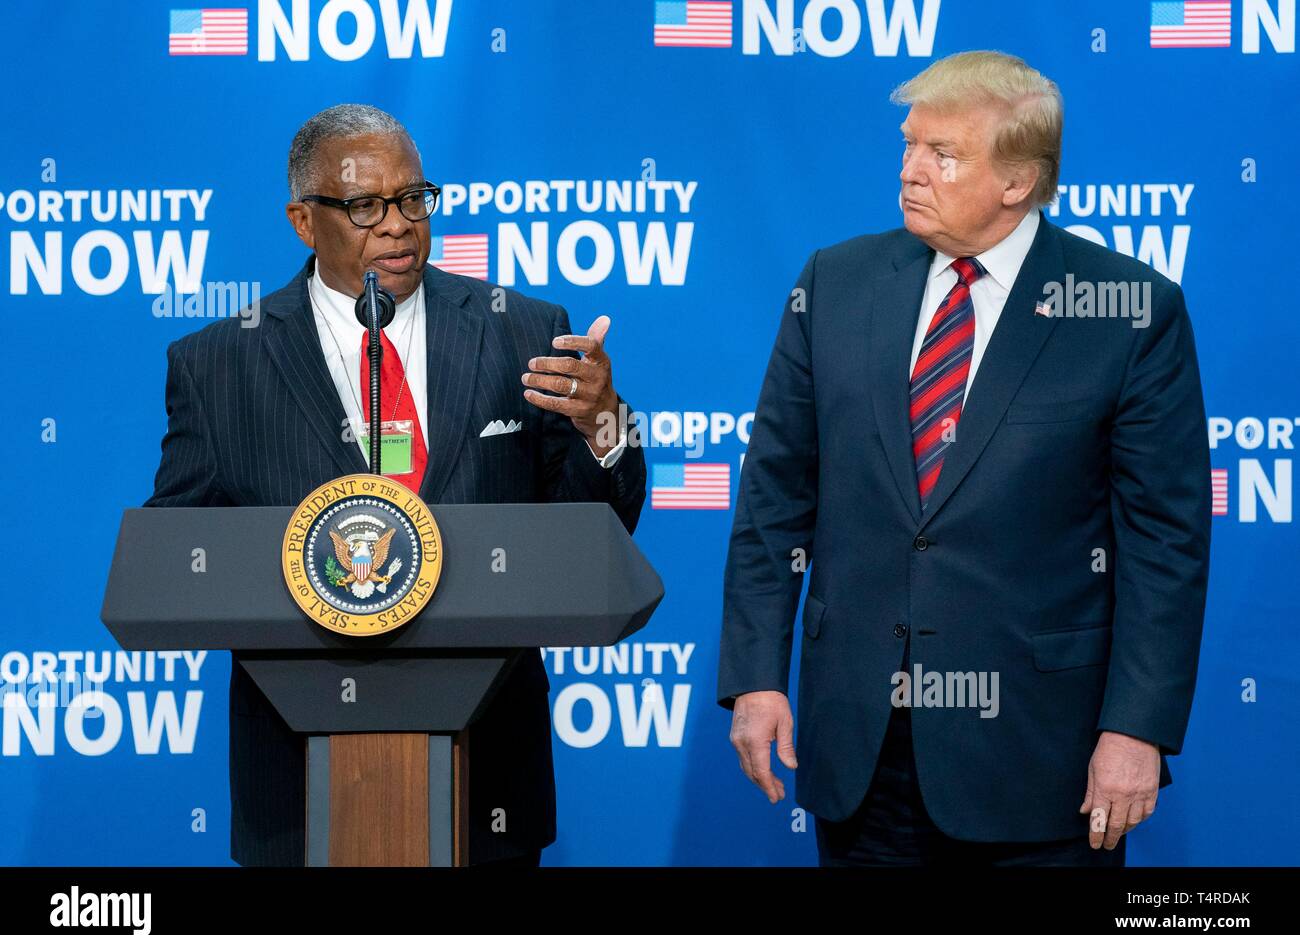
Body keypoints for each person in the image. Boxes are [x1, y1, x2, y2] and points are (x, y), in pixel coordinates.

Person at [718, 51, 1210, 866]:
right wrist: (757, 677)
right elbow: (775, 497)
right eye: (908, 146)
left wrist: (1137, 728)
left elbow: (1165, 547)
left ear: (1018, 182)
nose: (910, 171)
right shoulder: (833, 284)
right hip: (861, 754)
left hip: (1040, 762)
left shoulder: (1129, 312)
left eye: (941, 155)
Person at [145, 103, 646, 866]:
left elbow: (594, 532)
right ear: (304, 222)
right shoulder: (219, 364)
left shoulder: (522, 329)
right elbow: (179, 558)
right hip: (297, 778)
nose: (398, 225)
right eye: (365, 206)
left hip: (488, 766)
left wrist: (605, 425)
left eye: (413, 199)